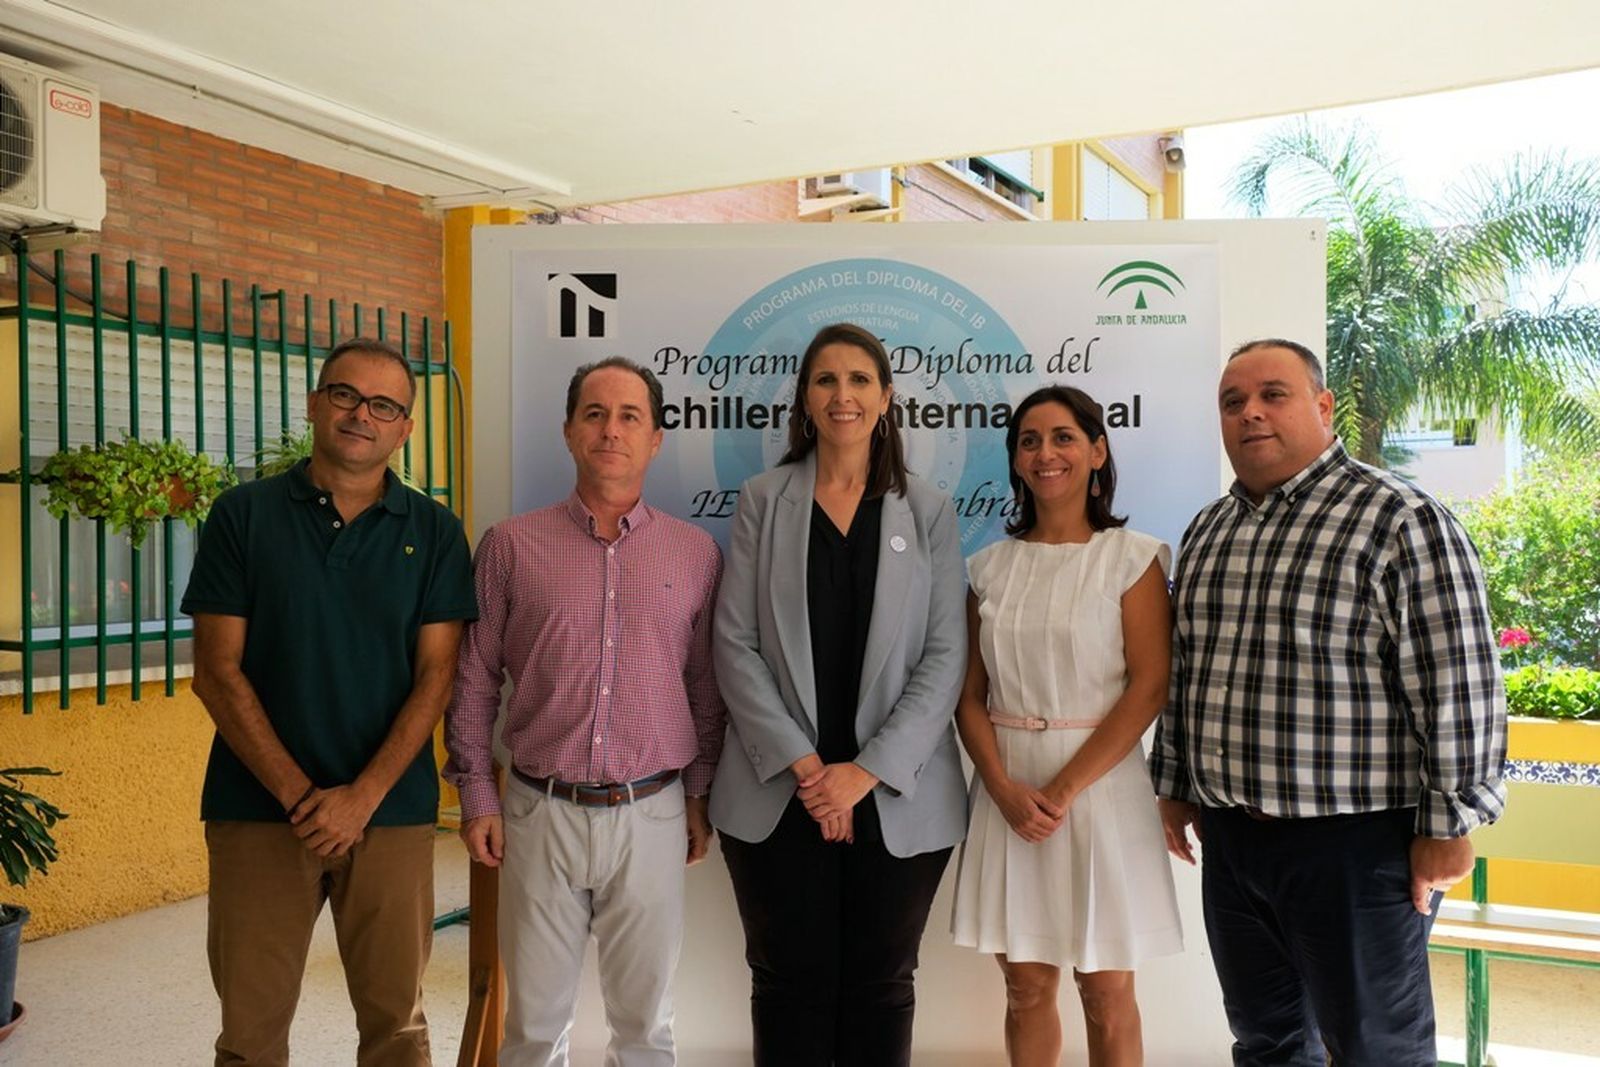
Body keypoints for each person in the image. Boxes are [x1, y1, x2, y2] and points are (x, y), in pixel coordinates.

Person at [1151, 339, 1507, 1066]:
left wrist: (1451, 820)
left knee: (1377, 1048)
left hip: (1358, 847)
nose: (1250, 412)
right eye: (1232, 401)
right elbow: (1190, 670)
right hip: (1234, 841)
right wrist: (1177, 784)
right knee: (1267, 1041)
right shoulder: (1209, 531)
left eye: (1272, 394)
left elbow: (1457, 679)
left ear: (1321, 406)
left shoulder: (1400, 519)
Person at [184, 336, 478, 1067]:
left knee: (398, 1032)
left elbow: (437, 675)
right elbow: (217, 671)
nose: (361, 414)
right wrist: (301, 796)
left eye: (384, 405)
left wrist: (362, 797)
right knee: (248, 1038)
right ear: (316, 403)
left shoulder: (436, 532)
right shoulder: (242, 514)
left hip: (392, 814)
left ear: (405, 427)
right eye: (346, 394)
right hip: (257, 811)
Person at [444, 356, 724, 1067]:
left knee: (647, 1030)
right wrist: (477, 793)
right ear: (569, 430)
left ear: (656, 437)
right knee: (534, 1030)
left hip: (653, 811)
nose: (611, 429)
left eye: (631, 415)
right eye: (595, 413)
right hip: (540, 810)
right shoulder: (510, 546)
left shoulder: (694, 552)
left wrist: (698, 794)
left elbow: (704, 684)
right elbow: (474, 680)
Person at [709, 322, 968, 1067]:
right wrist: (808, 768)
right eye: (826, 379)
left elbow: (946, 654)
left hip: (898, 796)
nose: (843, 394)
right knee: (786, 983)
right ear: (805, 399)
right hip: (778, 789)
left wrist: (864, 771)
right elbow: (734, 642)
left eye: (860, 379)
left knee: (881, 985)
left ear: (886, 399)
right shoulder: (764, 499)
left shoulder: (928, 510)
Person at [950, 384, 1183, 1067]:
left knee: (1106, 990)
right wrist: (999, 785)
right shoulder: (988, 568)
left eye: (1062, 437)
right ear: (1016, 461)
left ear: (1096, 451)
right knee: (1025, 987)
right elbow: (969, 695)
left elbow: (1149, 685)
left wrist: (1064, 787)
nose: (1045, 452)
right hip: (1007, 792)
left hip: (1101, 790)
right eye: (1030, 440)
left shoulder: (1133, 556)